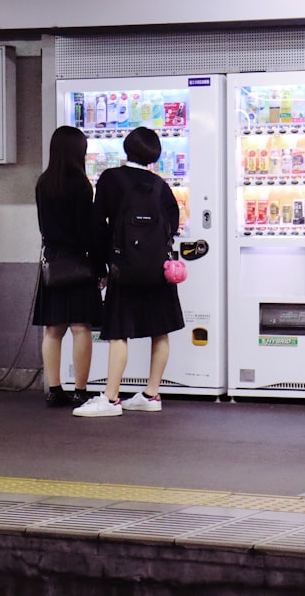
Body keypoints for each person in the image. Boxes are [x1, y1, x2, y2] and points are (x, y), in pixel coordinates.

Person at [73, 126, 184, 418]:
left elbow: (98, 225)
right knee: (160, 331)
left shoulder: (112, 178)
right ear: (154, 155)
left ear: (127, 148)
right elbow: (173, 224)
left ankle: (111, 398)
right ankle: (151, 394)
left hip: (125, 267)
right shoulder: (160, 185)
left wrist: (101, 266)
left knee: (119, 332)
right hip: (159, 270)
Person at [33, 126, 105, 408]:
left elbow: (43, 226)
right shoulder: (81, 185)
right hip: (77, 260)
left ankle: (53, 389)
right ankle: (81, 390)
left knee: (53, 329)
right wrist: (99, 266)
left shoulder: (43, 183)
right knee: (80, 328)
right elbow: (87, 231)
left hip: (52, 259)